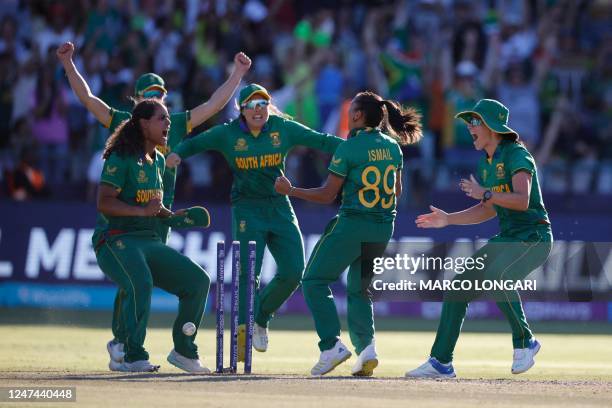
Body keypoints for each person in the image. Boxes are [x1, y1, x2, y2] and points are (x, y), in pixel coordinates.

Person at [56, 41, 251, 369]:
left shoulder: (171, 124)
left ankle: (166, 347)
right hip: (120, 227)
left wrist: (238, 74)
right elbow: (87, 99)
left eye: (160, 92)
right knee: (135, 279)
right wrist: (68, 64)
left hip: (157, 223)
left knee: (146, 279)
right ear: (138, 103)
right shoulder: (125, 124)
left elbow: (215, 104)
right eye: (150, 93)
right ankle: (124, 343)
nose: (158, 98)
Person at [166, 83, 344, 359]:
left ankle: (260, 316)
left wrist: (355, 149)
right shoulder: (228, 133)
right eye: (252, 105)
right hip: (247, 209)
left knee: (294, 271)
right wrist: (177, 154)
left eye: (263, 104)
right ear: (241, 109)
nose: (258, 110)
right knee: (249, 274)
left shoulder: (282, 127)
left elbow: (321, 140)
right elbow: (197, 142)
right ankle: (242, 334)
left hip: (279, 206)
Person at [274, 91, 423, 376]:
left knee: (314, 281)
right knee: (358, 289)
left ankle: (331, 346)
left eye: (350, 109)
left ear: (356, 115)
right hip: (383, 227)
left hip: (353, 224)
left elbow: (327, 194)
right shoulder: (394, 147)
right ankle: (367, 350)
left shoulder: (348, 148)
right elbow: (398, 193)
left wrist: (290, 190)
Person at [406, 99, 553, 378]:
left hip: (534, 237)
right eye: (469, 121)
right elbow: (487, 209)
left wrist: (486, 193)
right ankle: (441, 362)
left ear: (493, 127)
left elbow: (522, 201)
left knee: (498, 277)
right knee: (459, 286)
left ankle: (525, 342)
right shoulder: (487, 163)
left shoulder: (517, 155)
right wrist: (448, 219)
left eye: (475, 122)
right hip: (509, 237)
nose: (468, 126)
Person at [96, 98, 211, 373]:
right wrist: (144, 211)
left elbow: (153, 208)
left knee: (198, 281)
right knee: (141, 282)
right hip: (114, 239)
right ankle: (133, 354)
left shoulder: (158, 160)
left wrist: (173, 217)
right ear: (143, 123)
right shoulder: (120, 157)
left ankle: (184, 350)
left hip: (148, 240)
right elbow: (104, 202)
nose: (168, 123)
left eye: (168, 119)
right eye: (162, 118)